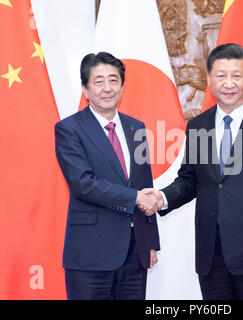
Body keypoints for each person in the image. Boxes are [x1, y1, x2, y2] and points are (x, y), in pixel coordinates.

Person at [141, 43, 243, 300]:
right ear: (209, 79)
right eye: (221, 75)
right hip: (212, 253)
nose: (228, 83)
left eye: (236, 75)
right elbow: (189, 181)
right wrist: (161, 198)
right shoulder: (199, 125)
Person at [55, 52, 160, 300]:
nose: (107, 88)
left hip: (135, 252)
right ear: (85, 89)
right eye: (98, 81)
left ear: (122, 85)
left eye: (113, 80)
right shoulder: (69, 129)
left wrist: (151, 242)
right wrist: (134, 197)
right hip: (90, 254)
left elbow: (145, 186)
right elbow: (83, 184)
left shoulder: (137, 127)